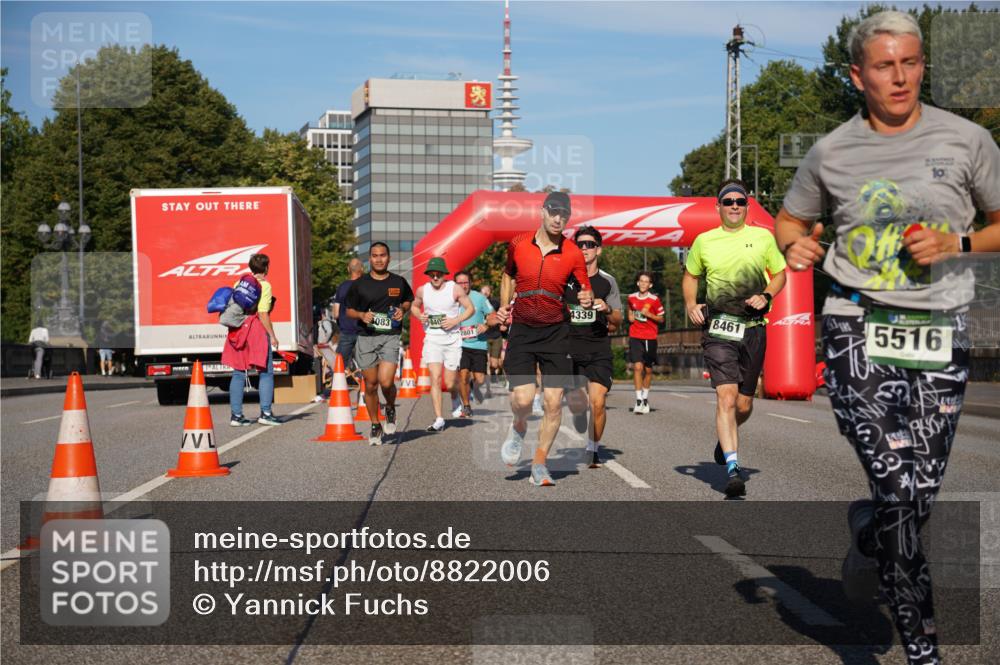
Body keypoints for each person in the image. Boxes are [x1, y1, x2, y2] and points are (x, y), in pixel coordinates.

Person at [775, 11, 1000, 664]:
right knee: (903, 500)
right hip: (856, 329)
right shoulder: (833, 152)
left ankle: (869, 532)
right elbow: (790, 221)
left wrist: (957, 243)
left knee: (914, 498)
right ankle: (925, 655)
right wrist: (797, 247)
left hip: (940, 331)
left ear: (922, 65)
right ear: (857, 75)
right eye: (883, 65)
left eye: (911, 62)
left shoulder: (968, 142)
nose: (899, 77)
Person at [684, 179, 786, 498]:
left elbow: (780, 274)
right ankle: (732, 467)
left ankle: (726, 436)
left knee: (743, 403)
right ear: (718, 207)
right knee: (725, 397)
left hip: (753, 327)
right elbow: (691, 276)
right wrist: (690, 303)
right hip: (719, 328)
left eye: (739, 202)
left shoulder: (763, 237)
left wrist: (767, 295)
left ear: (747, 205)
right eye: (727, 201)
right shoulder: (704, 241)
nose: (733, 206)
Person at [497, 191, 592, 486]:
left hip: (556, 333)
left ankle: (539, 463)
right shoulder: (518, 243)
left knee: (553, 402)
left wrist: (587, 297)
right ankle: (519, 424)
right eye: (553, 212)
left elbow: (584, 288)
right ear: (542, 211)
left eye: (564, 214)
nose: (558, 218)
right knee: (523, 400)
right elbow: (507, 275)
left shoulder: (573, 252)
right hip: (523, 329)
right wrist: (503, 307)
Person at [564, 226, 623, 468]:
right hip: (569, 347)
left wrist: (606, 308)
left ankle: (593, 447)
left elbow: (618, 320)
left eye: (589, 244)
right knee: (576, 402)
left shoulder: (608, 281)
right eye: (580, 244)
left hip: (598, 347)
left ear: (598, 249)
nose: (584, 248)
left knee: (598, 402)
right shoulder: (564, 278)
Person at [345, 242, 414, 445]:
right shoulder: (359, 284)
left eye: (382, 255)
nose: (379, 259)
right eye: (375, 255)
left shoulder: (399, 281)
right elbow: (348, 310)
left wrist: (403, 309)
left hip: (390, 336)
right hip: (366, 338)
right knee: (371, 385)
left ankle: (390, 407)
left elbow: (408, 300)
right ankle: (375, 424)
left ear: (389, 258)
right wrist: (361, 314)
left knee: (386, 382)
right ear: (370, 259)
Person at [411, 258, 475, 432]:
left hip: (452, 339)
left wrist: (455, 320)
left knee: (450, 381)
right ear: (429, 274)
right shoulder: (422, 290)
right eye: (432, 273)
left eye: (439, 273)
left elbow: (470, 309)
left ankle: (455, 396)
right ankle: (439, 418)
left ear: (444, 274)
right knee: (435, 378)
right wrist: (419, 315)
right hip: (432, 338)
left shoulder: (454, 288)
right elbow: (414, 306)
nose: (436, 276)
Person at [226, 253, 282, 426]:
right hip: (256, 329)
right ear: (266, 268)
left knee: (238, 372)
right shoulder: (264, 285)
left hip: (239, 329)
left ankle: (236, 416)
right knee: (265, 372)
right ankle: (265, 413)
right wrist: (272, 336)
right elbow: (263, 313)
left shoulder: (239, 283)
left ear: (251, 267)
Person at [451, 271, 496, 417]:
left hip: (479, 345)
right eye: (460, 283)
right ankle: (466, 405)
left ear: (470, 283)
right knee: (463, 376)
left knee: (480, 379)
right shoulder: (451, 299)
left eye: (466, 282)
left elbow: (493, 316)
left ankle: (474, 388)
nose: (463, 285)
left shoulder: (480, 298)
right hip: (460, 345)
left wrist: (486, 325)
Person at [627, 271, 664, 414]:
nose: (643, 284)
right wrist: (630, 316)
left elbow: (661, 319)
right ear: (638, 283)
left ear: (650, 285)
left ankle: (645, 397)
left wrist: (649, 315)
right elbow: (630, 309)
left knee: (648, 370)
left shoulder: (654, 300)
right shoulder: (631, 297)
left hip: (650, 337)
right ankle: (638, 400)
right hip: (635, 335)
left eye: (646, 281)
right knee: (637, 367)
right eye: (641, 281)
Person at [332, 258, 364, 382]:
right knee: (367, 365)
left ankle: (337, 392)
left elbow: (335, 314)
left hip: (346, 332)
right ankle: (366, 393)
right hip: (364, 333)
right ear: (361, 269)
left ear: (348, 269)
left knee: (340, 364)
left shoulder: (342, 287)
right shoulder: (367, 286)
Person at [480, 284, 504, 394]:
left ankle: (495, 373)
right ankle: (488, 389)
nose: (485, 293)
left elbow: (502, 314)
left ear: (490, 293)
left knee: (494, 364)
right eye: (483, 291)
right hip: (483, 337)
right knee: (486, 363)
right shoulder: (477, 304)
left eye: (487, 291)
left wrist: (503, 324)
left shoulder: (496, 303)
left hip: (496, 336)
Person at [313, 301, 337, 401]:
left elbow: (330, 331)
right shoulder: (322, 322)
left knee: (329, 366)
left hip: (325, 346)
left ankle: (328, 386)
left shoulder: (325, 322)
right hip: (323, 347)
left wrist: (324, 341)